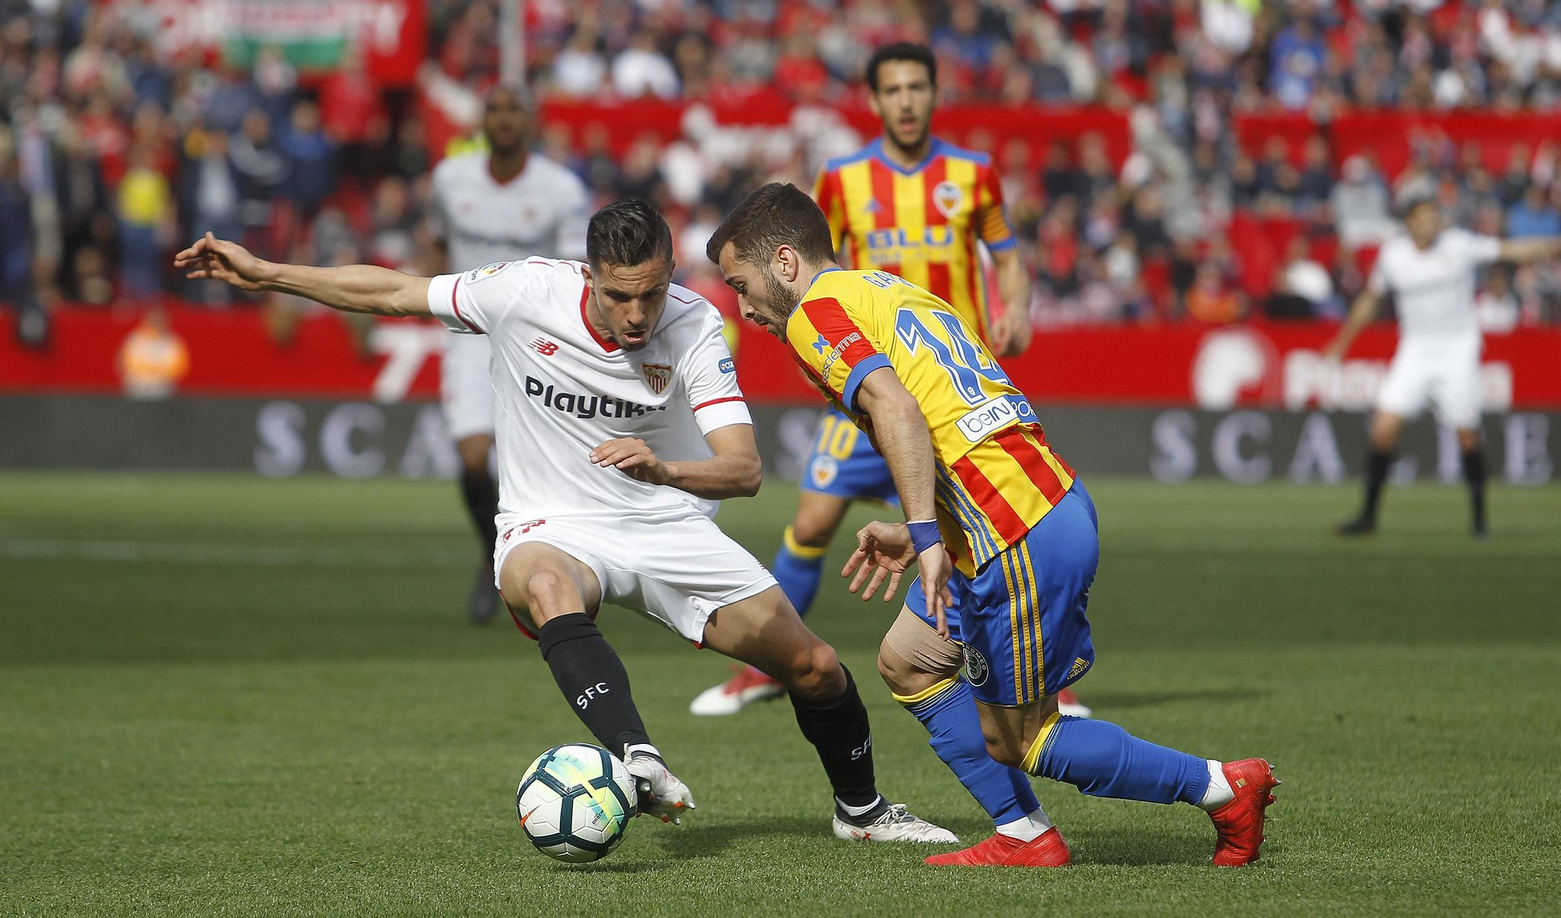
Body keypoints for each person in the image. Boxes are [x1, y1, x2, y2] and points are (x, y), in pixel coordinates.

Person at [173, 200, 953, 844]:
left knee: (814, 667)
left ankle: (863, 813)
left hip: (666, 522)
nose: (637, 313)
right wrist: (268, 272)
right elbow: (391, 293)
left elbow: (744, 468)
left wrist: (663, 470)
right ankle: (637, 757)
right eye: (619, 296)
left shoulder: (695, 327)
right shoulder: (523, 292)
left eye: (651, 292)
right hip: (551, 520)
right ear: (587, 276)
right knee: (543, 581)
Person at [708, 182, 1277, 867]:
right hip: (1024, 509)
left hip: (1013, 534)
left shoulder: (812, 317)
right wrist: (931, 530)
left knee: (1023, 739)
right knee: (909, 662)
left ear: (787, 265)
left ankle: (1222, 787)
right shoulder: (887, 290)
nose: (743, 306)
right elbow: (958, 414)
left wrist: (924, 534)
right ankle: (1024, 835)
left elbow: (898, 411)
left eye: (742, 283)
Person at [689, 42, 1093, 721]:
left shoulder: (974, 174)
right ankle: (767, 666)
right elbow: (815, 262)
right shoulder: (844, 181)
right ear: (875, 102)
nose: (906, 101)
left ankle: (1042, 673)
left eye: (917, 88)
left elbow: (1006, 255)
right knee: (814, 521)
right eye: (893, 90)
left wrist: (1015, 304)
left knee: (995, 517)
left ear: (934, 94)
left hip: (942, 382)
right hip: (863, 368)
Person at [430, 86, 591, 625]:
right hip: (467, 337)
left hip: (532, 345)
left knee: (546, 469)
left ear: (531, 120)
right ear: (482, 118)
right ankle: (493, 552)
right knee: (475, 459)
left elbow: (572, 274)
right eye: (494, 109)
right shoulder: (450, 180)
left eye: (513, 110)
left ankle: (555, 567)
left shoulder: (561, 189)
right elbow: (436, 246)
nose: (503, 119)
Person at [1325, 197, 1561, 538]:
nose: (1433, 224)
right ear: (1409, 223)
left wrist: (1553, 245)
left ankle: (1479, 520)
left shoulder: (1459, 245)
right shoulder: (1393, 255)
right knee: (1383, 429)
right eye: (1425, 218)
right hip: (1415, 351)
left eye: (1436, 217)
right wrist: (1342, 341)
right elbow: (1369, 299)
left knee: (1467, 434)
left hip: (1457, 350)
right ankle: (1367, 517)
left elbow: (1513, 251)